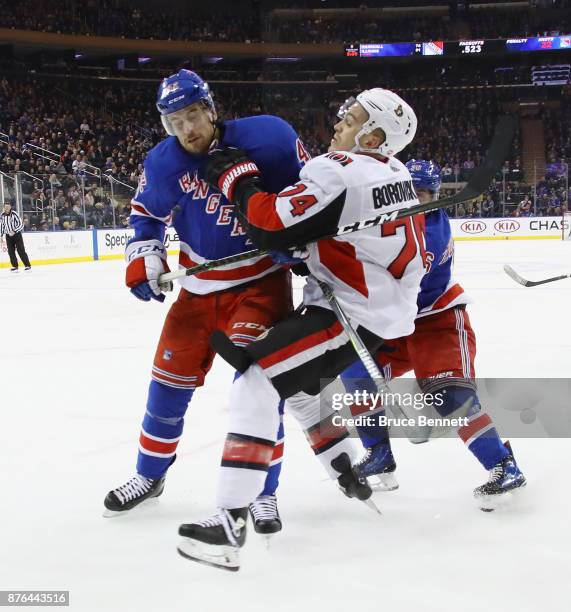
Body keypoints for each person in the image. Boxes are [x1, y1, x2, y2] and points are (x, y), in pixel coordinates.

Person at [176, 88, 425, 570]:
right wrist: (308, 248)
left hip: (348, 314)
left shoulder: (337, 170)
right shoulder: (396, 171)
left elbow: (268, 224)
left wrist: (237, 179)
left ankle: (230, 521)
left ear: (373, 136)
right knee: (299, 388)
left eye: (350, 119)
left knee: (256, 379)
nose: (338, 123)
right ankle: (346, 464)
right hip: (370, 307)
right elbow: (340, 229)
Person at [103, 70, 311, 536]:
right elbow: (146, 215)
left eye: (192, 116)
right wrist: (144, 255)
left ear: (211, 109)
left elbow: (311, 198)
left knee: (257, 391)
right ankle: (149, 476)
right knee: (166, 391)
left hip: (260, 286)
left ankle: (263, 493)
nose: (186, 130)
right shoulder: (162, 164)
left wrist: (294, 243)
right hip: (198, 292)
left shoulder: (272, 139)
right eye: (175, 122)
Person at [341, 159, 526, 510]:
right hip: (397, 324)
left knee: (449, 398)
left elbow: (386, 275)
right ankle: (378, 451)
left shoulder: (430, 231)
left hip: (436, 321)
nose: (415, 199)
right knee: (355, 371)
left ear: (435, 196)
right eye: (409, 191)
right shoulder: (392, 220)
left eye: (423, 193)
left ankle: (503, 465)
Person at [0, 202, 31, 272]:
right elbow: (2, 226)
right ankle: (15, 266)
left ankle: (27, 265)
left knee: (21, 250)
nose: (7, 208)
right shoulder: (2, 215)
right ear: (3, 208)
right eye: (5, 207)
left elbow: (21, 224)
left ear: (10, 207)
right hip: (8, 236)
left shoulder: (14, 214)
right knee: (11, 251)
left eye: (8, 207)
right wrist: (1, 236)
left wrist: (14, 231)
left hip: (17, 235)